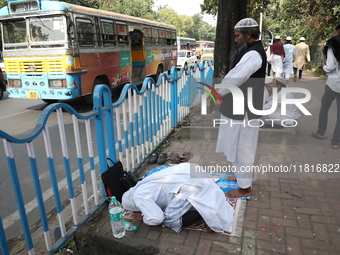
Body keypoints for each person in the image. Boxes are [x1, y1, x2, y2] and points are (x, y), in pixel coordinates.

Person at [216, 18, 266, 198]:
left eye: (238, 36)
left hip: (246, 109)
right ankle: (240, 177)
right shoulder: (252, 51)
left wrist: (219, 91)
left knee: (243, 146)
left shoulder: (253, 54)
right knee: (238, 144)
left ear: (248, 34)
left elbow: (237, 76)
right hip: (244, 106)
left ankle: (245, 186)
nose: (236, 39)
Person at [121, 163, 235, 233]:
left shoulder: (139, 196)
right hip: (192, 170)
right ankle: (208, 205)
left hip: (190, 187)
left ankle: (203, 213)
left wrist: (144, 218)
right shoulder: (143, 183)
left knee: (170, 219)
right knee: (204, 191)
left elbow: (156, 218)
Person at [312, 23, 340, 149]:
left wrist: (323, 67)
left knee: (324, 106)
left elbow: (330, 66)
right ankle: (335, 142)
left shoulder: (333, 44)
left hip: (334, 83)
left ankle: (320, 132)